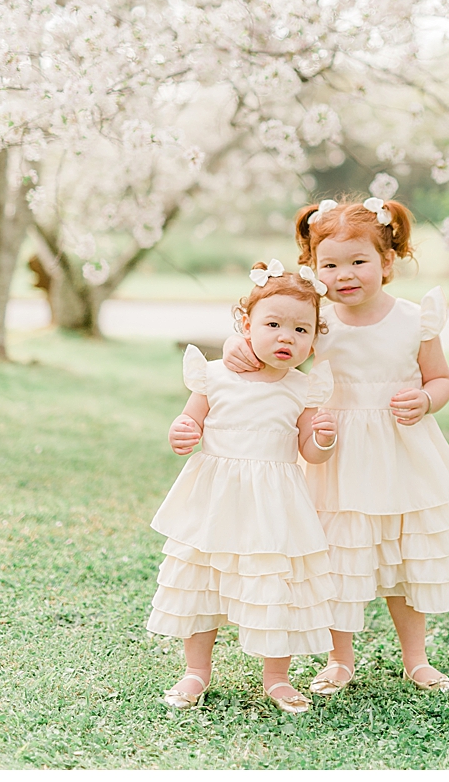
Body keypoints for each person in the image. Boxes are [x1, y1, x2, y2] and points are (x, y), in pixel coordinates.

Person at [224, 192, 449, 694]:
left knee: (405, 557)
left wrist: (425, 399)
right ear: (312, 267)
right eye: (329, 264)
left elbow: (440, 378)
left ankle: (416, 658)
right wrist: (235, 345)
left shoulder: (413, 319)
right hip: (334, 454)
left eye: (359, 261)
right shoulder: (318, 320)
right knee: (336, 557)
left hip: (401, 454)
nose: (345, 274)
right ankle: (340, 658)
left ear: (388, 260)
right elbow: (268, 333)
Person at [148, 260, 338, 714]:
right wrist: (182, 430)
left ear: (314, 337)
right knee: (203, 582)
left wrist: (324, 439)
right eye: (273, 324)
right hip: (215, 498)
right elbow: (190, 421)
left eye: (301, 329)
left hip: (274, 503)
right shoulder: (214, 376)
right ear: (246, 324)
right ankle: (196, 671)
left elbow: (311, 452)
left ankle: (277, 676)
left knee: (274, 584)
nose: (286, 337)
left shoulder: (302, 389)